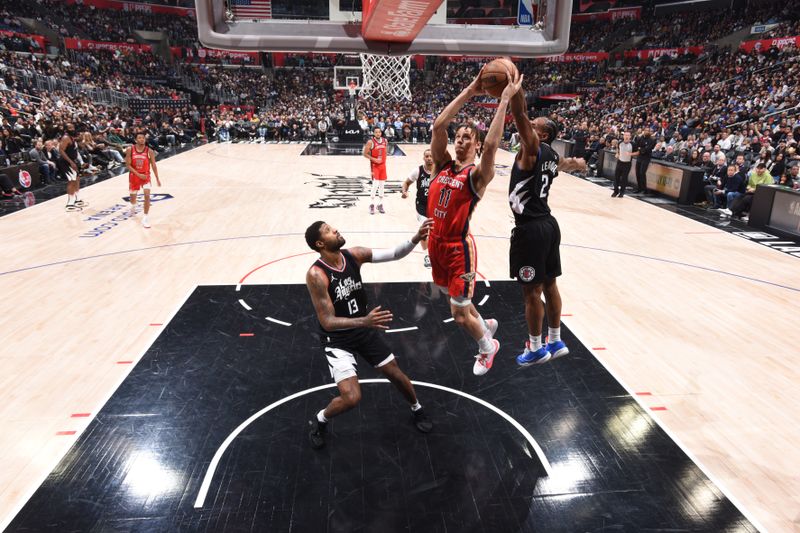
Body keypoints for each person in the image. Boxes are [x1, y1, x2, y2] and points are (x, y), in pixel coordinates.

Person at [304, 219, 434, 450]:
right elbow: (327, 321)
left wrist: (415, 239)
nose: (335, 229)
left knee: (394, 372)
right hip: (338, 338)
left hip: (363, 329)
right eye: (328, 231)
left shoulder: (354, 255)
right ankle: (320, 418)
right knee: (352, 398)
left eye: (332, 226)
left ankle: (417, 408)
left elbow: (394, 253)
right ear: (320, 243)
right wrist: (365, 320)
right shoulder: (316, 274)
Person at [426, 65, 522, 376]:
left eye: (468, 138)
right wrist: (470, 90)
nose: (461, 140)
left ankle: (487, 346)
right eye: (459, 136)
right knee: (458, 302)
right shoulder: (441, 164)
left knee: (457, 314)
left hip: (458, 250)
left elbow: (493, 146)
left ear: (476, 146)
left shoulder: (477, 175)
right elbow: (438, 127)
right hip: (435, 245)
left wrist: (504, 100)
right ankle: (484, 323)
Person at [508, 90, 586, 366]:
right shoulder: (551, 154)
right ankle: (556, 339)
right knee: (551, 284)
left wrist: (513, 91)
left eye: (534, 126)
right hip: (549, 226)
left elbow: (519, 115)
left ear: (540, 135)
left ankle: (537, 348)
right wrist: (577, 164)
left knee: (531, 292)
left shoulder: (533, 148)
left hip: (530, 229)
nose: (528, 126)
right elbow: (566, 164)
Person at [401, 148, 435, 268]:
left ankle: (437, 254)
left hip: (436, 206)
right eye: (427, 156)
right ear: (423, 158)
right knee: (425, 230)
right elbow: (406, 183)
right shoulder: (418, 171)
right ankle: (426, 256)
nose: (429, 158)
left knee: (436, 232)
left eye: (431, 156)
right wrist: (405, 192)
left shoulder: (440, 171)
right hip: (422, 205)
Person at [125, 131, 162, 229]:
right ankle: (133, 206)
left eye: (143, 138)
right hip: (134, 175)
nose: (142, 139)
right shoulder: (130, 149)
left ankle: (145, 218)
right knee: (133, 199)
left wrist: (157, 178)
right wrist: (138, 174)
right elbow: (128, 165)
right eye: (140, 138)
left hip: (145, 176)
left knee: (147, 196)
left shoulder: (149, 151)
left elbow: (153, 165)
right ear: (135, 140)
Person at [57, 124, 84, 212]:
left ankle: (77, 199)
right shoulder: (65, 138)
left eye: (73, 127)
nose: (72, 129)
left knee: (77, 179)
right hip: (66, 162)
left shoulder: (71, 137)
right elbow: (61, 150)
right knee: (71, 181)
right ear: (66, 130)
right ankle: (70, 204)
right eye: (70, 128)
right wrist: (71, 162)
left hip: (72, 161)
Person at [363, 126, 387, 214]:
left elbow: (385, 152)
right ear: (373, 133)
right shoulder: (370, 142)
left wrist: (384, 161)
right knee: (375, 184)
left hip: (383, 166)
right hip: (375, 166)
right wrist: (374, 160)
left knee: (382, 185)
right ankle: (371, 204)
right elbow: (364, 154)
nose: (378, 133)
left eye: (379, 132)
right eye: (376, 132)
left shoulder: (385, 141)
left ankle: (380, 204)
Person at [632, 129, 655, 193]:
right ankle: (639, 188)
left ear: (649, 132)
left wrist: (641, 149)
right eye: (645, 130)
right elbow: (637, 146)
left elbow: (648, 149)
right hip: (639, 157)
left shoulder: (652, 140)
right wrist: (642, 148)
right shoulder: (640, 138)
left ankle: (644, 189)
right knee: (637, 173)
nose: (646, 131)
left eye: (648, 130)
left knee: (642, 173)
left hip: (646, 158)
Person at [613, 131, 633, 197]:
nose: (627, 136)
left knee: (624, 178)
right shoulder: (620, 143)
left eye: (628, 135)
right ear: (623, 136)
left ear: (630, 136)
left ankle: (622, 192)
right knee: (616, 177)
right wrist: (617, 153)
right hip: (620, 162)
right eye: (625, 135)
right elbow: (617, 149)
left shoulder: (633, 144)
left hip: (627, 163)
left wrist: (631, 154)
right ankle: (615, 191)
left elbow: (637, 152)